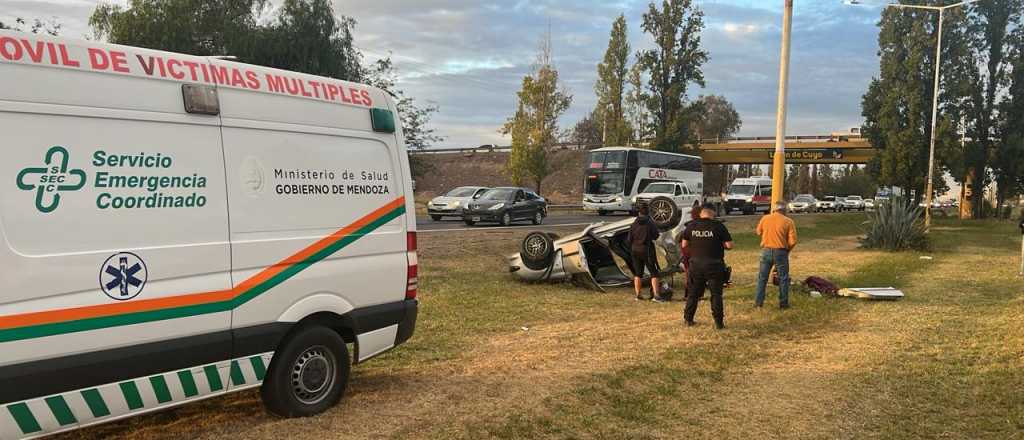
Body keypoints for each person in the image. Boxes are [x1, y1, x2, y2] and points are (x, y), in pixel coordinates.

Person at [681, 205, 734, 329]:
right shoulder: (718, 226)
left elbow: (684, 244)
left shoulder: (691, 226)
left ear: (701, 214)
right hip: (714, 265)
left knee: (693, 294)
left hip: (696, 265)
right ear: (712, 213)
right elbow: (729, 245)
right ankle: (718, 323)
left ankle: (688, 319)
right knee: (716, 294)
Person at [755, 201, 798, 309]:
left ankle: (758, 303)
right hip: (781, 252)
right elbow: (793, 241)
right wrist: (787, 251)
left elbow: (758, 232)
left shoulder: (765, 218)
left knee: (762, 278)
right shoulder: (788, 221)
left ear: (774, 209)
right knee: (783, 278)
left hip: (766, 251)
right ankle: (783, 304)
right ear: (784, 210)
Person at [629, 204, 663, 302]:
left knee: (638, 273)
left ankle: (638, 295)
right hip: (647, 250)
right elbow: (656, 236)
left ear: (639, 212)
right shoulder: (650, 223)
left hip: (635, 250)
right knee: (654, 273)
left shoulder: (634, 223)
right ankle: (656, 296)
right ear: (648, 213)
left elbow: (629, 239)